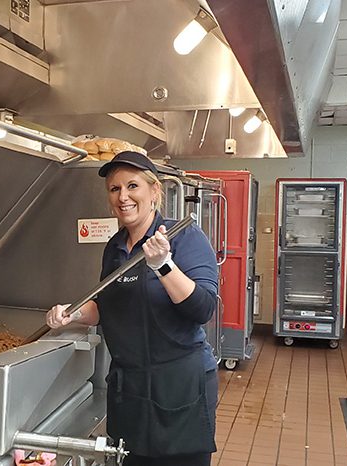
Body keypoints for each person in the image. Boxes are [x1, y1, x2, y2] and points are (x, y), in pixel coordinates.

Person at [46, 151, 218, 466]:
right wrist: (75, 313)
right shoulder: (114, 247)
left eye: (132, 186)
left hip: (178, 386)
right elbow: (106, 305)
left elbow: (203, 309)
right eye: (115, 189)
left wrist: (163, 266)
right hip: (131, 387)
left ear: (154, 191)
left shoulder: (184, 239)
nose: (123, 196)